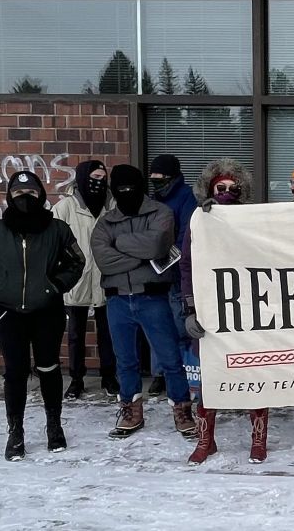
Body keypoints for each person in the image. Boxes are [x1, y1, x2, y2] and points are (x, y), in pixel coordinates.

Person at [0, 171, 85, 461]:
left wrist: (55, 285)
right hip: (8, 313)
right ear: (9, 197)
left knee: (48, 368)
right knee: (15, 372)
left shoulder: (57, 228)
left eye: (31, 194)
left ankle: (54, 425)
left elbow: (76, 262)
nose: (25, 199)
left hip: (47, 311)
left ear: (41, 195)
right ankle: (15, 432)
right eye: (19, 194)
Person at [180, 158, 273, 465]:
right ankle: (206, 440)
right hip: (210, 310)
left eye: (234, 188)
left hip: (246, 309)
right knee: (209, 378)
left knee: (253, 374)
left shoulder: (251, 219)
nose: (227, 192)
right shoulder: (197, 220)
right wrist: (190, 308)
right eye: (221, 188)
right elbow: (186, 266)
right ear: (210, 188)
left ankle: (258, 439)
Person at [91, 164, 194, 440]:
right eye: (120, 189)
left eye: (131, 187)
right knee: (125, 361)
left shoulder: (161, 212)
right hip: (117, 300)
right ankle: (130, 410)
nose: (126, 193)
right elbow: (104, 260)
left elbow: (158, 245)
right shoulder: (105, 222)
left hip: (154, 297)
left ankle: (182, 410)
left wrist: (120, 244)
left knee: (170, 358)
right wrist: (142, 254)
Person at [51, 160, 119, 399]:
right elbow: (54, 242)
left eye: (102, 178)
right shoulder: (64, 207)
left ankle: (109, 377)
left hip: (106, 276)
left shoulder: (112, 205)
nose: (98, 183)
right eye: (93, 177)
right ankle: (76, 380)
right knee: (75, 334)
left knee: (107, 332)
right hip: (76, 279)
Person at [146, 154, 196, 396]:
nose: (156, 182)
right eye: (153, 178)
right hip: (154, 272)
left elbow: (187, 232)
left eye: (161, 178)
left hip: (175, 271)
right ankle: (159, 374)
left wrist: (167, 255)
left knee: (178, 325)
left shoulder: (186, 197)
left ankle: (181, 371)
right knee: (157, 325)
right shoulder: (153, 198)